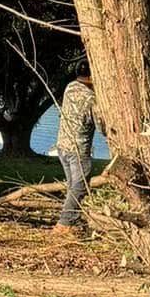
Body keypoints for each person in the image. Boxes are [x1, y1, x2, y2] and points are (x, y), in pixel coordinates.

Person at [54, 67, 97, 228]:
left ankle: (74, 222)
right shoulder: (91, 98)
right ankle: (64, 224)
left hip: (62, 146)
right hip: (78, 150)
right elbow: (102, 126)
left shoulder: (69, 87)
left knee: (73, 186)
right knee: (80, 187)